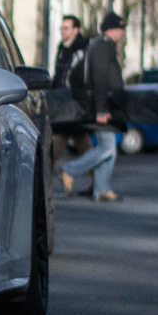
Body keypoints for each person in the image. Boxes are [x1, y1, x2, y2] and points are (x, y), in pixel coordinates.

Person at [60, 11, 128, 202]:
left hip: (104, 106)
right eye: (120, 29)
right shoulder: (101, 47)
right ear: (112, 29)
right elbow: (99, 79)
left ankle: (102, 189)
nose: (123, 33)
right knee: (106, 148)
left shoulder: (104, 46)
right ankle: (69, 170)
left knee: (108, 148)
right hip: (100, 108)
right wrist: (102, 109)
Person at [51, 14, 92, 165]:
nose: (63, 31)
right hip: (62, 102)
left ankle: (98, 184)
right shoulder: (62, 48)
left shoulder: (83, 49)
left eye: (66, 28)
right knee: (62, 143)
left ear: (76, 30)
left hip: (75, 103)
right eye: (62, 28)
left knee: (81, 144)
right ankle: (98, 185)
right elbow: (59, 75)